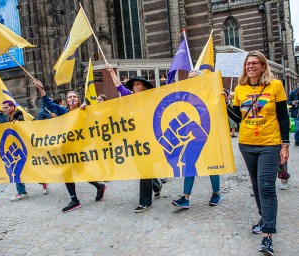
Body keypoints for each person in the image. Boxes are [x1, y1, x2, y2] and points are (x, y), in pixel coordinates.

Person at [227, 51, 289, 255]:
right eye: (248, 63)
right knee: (256, 185)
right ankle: (266, 218)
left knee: (266, 187)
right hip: (246, 143)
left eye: (255, 63)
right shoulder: (239, 89)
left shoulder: (276, 86)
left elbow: (282, 116)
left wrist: (285, 144)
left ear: (263, 66)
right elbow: (238, 118)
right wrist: (226, 104)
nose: (251, 66)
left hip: (269, 143)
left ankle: (267, 234)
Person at [33, 79, 106, 213]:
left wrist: (87, 110)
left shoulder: (84, 111)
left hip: (79, 148)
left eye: (74, 97)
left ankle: (99, 186)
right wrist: (41, 89)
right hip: (65, 148)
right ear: (67, 101)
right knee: (67, 173)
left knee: (80, 173)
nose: (72, 99)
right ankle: (74, 200)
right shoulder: (62, 111)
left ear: (78, 100)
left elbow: (99, 119)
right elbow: (49, 104)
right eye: (69, 97)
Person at [106, 63, 162, 213]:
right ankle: (156, 185)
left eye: (139, 84)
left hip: (148, 138)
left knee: (144, 168)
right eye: (135, 84)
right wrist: (111, 71)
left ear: (144, 86)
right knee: (141, 168)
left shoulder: (151, 99)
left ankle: (145, 202)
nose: (136, 86)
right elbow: (118, 86)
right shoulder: (129, 97)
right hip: (134, 139)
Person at [171, 69, 221, 209]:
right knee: (189, 166)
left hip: (208, 137)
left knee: (212, 166)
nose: (191, 80)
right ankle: (185, 198)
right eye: (189, 78)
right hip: (192, 139)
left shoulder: (209, 94)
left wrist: (226, 95)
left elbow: (219, 103)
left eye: (194, 77)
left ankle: (216, 193)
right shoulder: (186, 97)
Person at [2, 100, 30, 201]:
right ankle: (21, 192)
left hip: (24, 147)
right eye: (3, 108)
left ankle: (43, 182)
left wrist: (19, 124)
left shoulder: (20, 117)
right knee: (16, 169)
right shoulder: (9, 119)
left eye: (6, 107)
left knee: (30, 168)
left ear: (13, 107)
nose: (4, 109)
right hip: (15, 147)